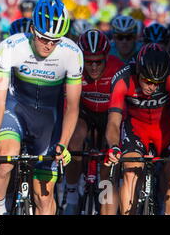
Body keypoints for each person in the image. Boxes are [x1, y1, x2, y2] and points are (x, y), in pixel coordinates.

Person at [0, 0, 82, 215]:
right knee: (5, 159)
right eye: (44, 38)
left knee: (44, 199)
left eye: (55, 41)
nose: (49, 45)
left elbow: (72, 107)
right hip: (16, 109)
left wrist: (63, 144)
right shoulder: (11, 46)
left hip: (49, 120)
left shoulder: (72, 53)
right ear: (33, 29)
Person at [105, 43, 170, 215]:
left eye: (157, 83)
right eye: (147, 81)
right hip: (136, 129)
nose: (152, 87)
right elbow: (114, 121)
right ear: (139, 71)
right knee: (131, 173)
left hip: (166, 131)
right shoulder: (123, 78)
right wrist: (114, 146)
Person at [64, 29, 124, 215]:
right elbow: (68, 108)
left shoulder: (118, 68)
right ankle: (72, 196)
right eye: (88, 61)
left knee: (108, 160)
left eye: (98, 61)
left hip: (109, 115)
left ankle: (104, 202)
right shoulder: (73, 68)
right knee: (74, 143)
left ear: (107, 57)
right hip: (84, 113)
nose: (94, 67)